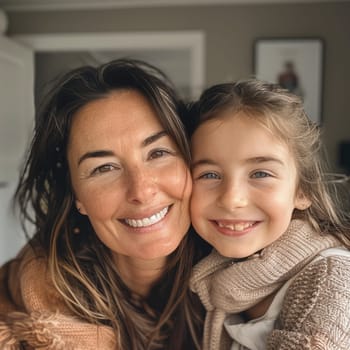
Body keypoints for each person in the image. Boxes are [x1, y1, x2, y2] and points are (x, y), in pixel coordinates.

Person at [0, 58, 209, 349]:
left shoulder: (249, 275)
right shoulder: (21, 298)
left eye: (158, 153)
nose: (141, 190)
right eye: (104, 168)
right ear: (76, 196)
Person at [188, 79, 350, 349]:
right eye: (210, 174)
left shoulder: (332, 282)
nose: (232, 199)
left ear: (302, 190)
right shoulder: (217, 274)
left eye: (260, 174)